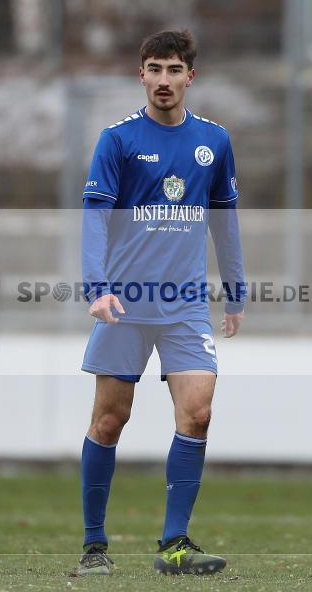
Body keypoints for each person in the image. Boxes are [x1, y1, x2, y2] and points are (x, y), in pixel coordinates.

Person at [76, 30, 246, 577]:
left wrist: (236, 289)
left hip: (186, 305)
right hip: (125, 303)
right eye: (154, 69)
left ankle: (174, 544)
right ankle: (94, 545)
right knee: (110, 420)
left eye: (174, 69)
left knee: (198, 413)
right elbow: (95, 217)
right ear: (141, 75)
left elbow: (224, 220)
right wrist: (97, 286)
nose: (164, 80)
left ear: (190, 76)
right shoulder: (117, 140)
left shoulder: (214, 141)